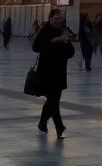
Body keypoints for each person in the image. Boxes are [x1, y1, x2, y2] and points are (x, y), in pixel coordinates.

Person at [32, 8, 74, 138]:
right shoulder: (45, 30)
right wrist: (54, 41)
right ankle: (59, 126)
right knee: (53, 100)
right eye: (56, 18)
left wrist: (65, 42)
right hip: (47, 71)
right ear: (50, 18)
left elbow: (70, 53)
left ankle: (42, 123)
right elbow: (36, 47)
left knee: (53, 100)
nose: (58, 20)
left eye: (60, 18)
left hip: (60, 71)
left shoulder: (63, 31)